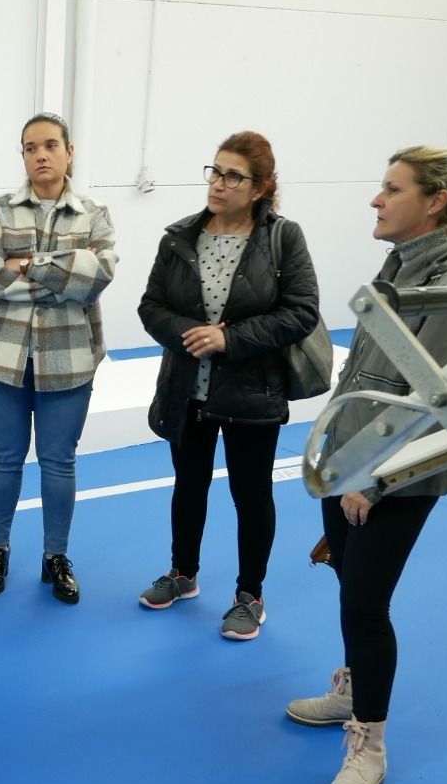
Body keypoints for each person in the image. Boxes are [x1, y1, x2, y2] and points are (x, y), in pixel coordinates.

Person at [286, 145, 447, 784]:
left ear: (435, 202)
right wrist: (337, 462)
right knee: (350, 584)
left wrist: (373, 482)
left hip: (394, 476)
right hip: (350, 462)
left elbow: (436, 404)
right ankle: (354, 688)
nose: (376, 200)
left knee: (365, 604)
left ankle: (370, 746)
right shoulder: (402, 264)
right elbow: (369, 377)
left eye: (392, 188)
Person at [136, 131, 320, 639]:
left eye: (233, 176)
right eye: (215, 171)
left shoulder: (283, 238)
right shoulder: (179, 237)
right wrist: (190, 334)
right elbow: (151, 307)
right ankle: (183, 573)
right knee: (188, 485)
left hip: (252, 389)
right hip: (186, 388)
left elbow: (301, 311)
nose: (218, 183)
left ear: (261, 187)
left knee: (251, 494)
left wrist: (228, 338)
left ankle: (249, 595)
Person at [0, 113, 117, 604]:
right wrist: (61, 278)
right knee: (5, 459)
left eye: (51, 145)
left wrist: (28, 265)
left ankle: (56, 556)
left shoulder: (94, 215)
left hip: (69, 360)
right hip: (1, 357)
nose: (41, 155)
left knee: (58, 463)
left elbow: (96, 276)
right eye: (31, 147)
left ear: (69, 152)